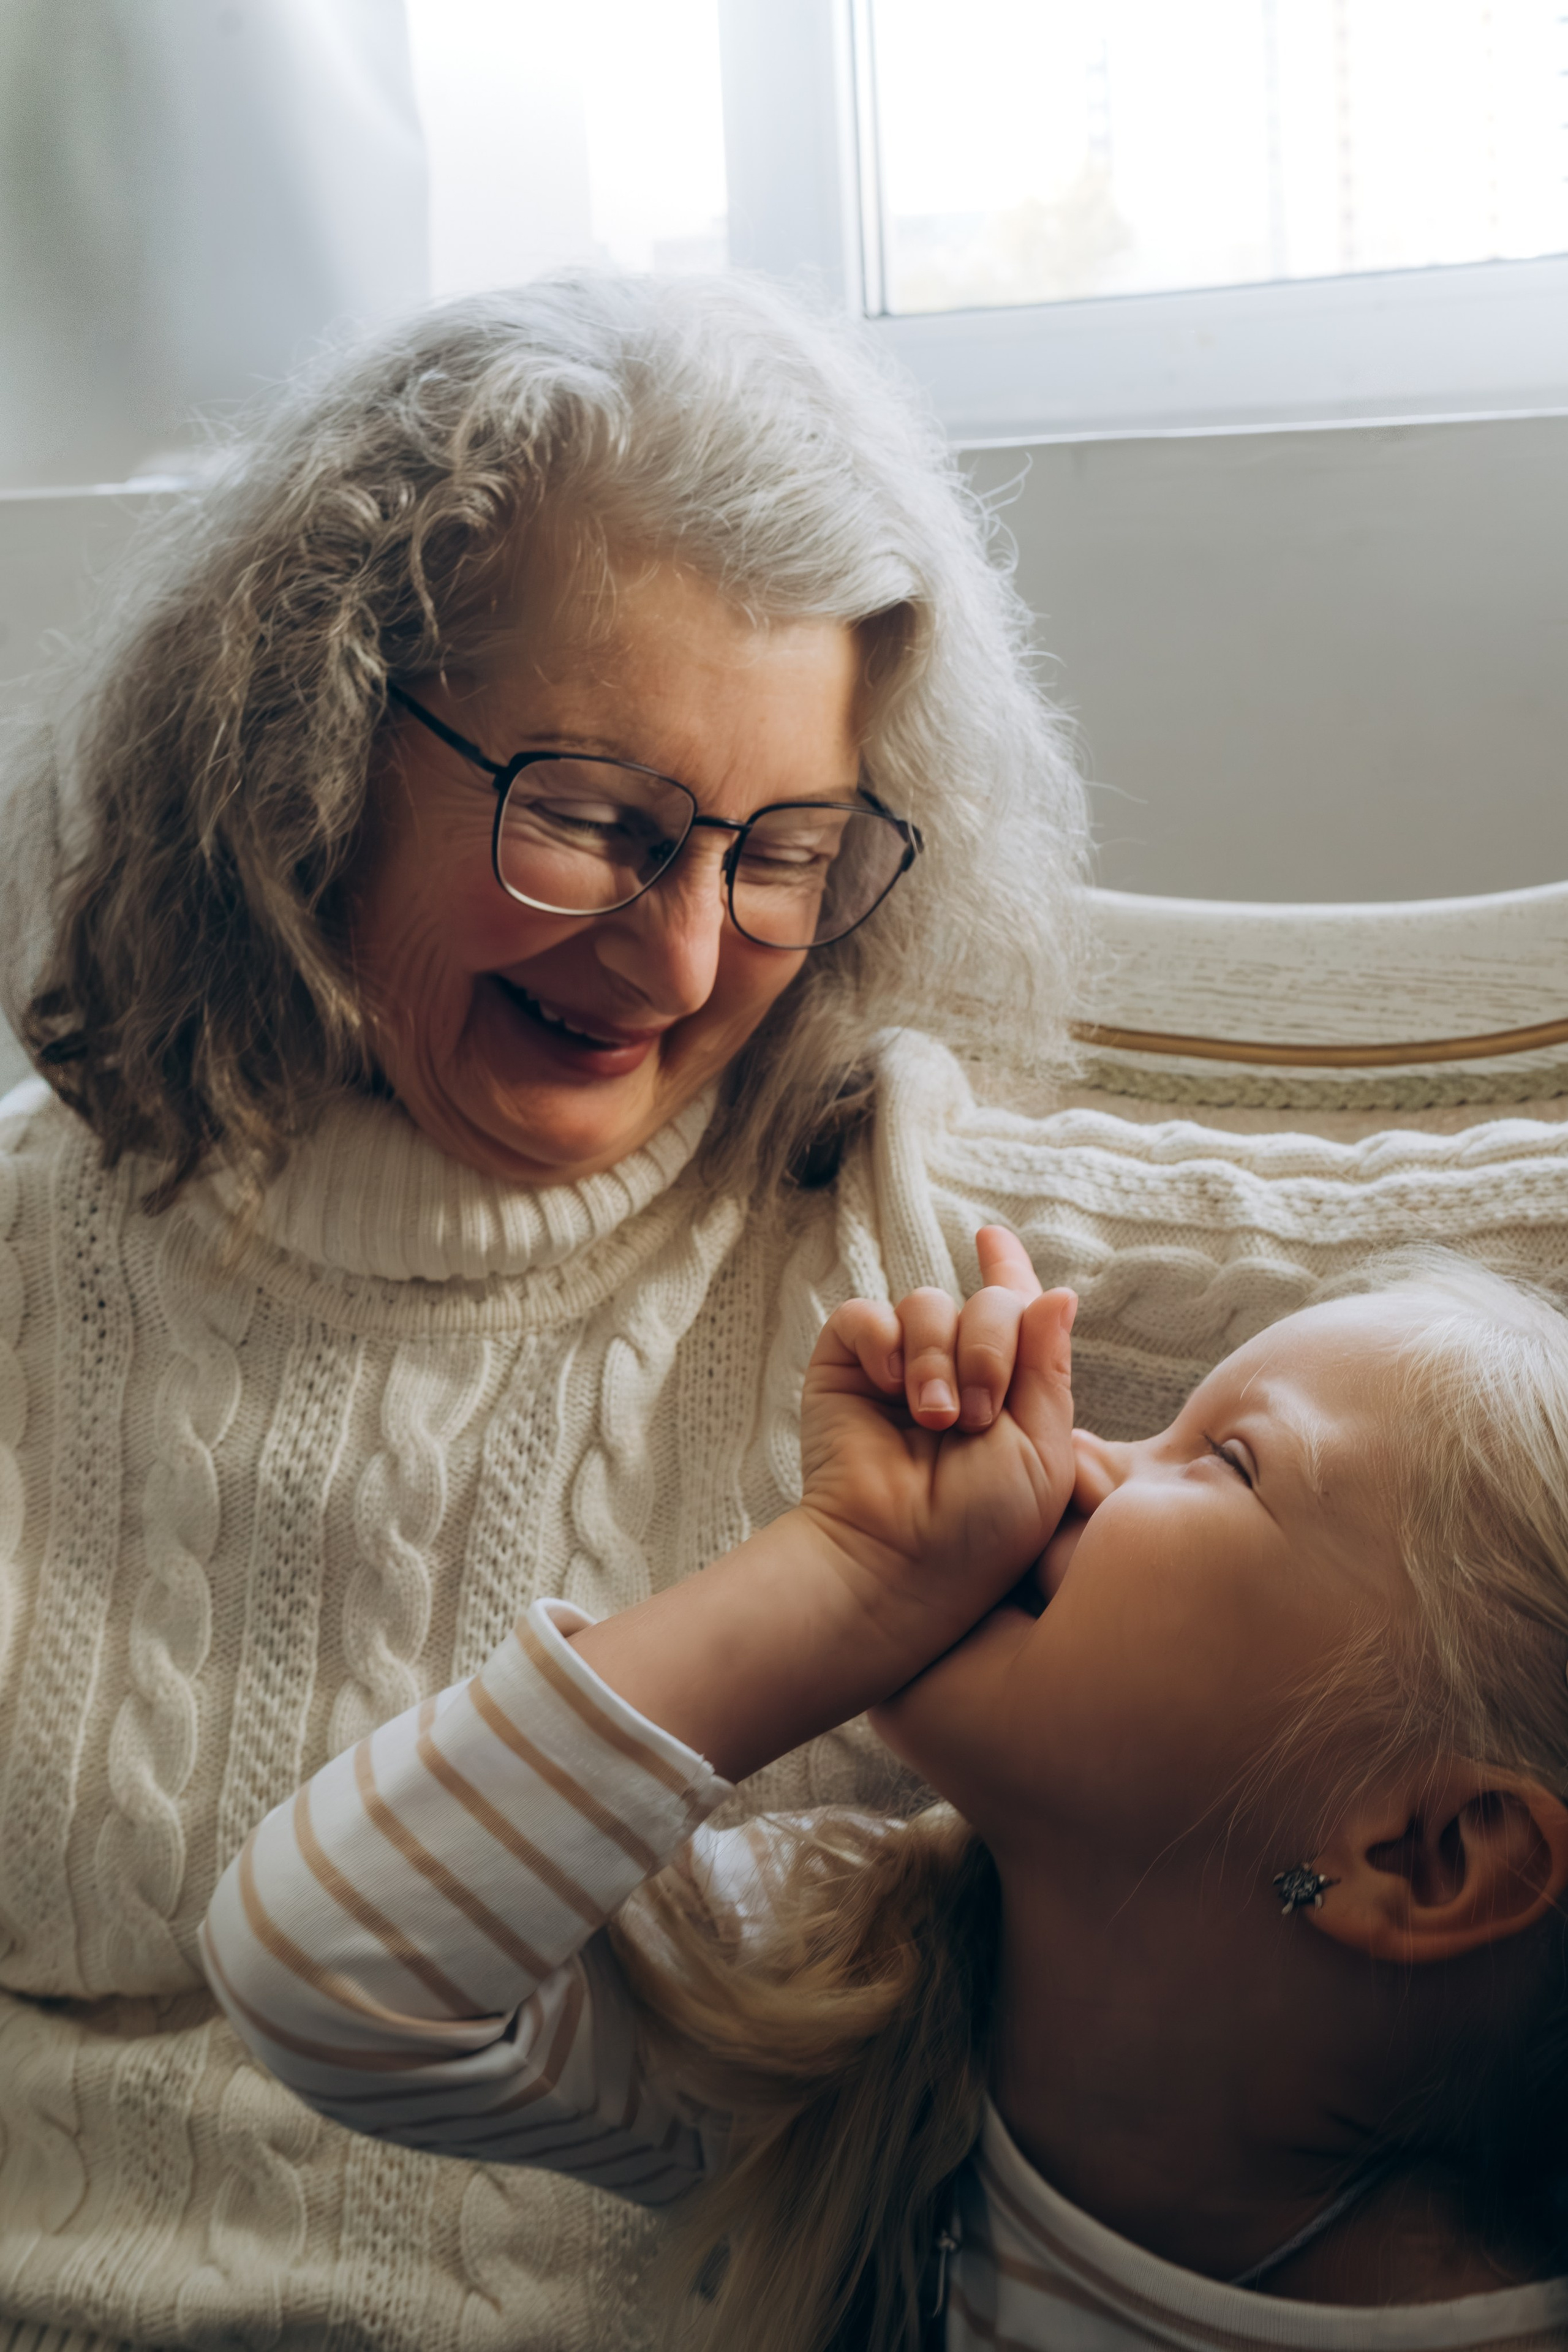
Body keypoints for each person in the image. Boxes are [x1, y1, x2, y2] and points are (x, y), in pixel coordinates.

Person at [2, 270, 1568, 2351]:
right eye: (593, 822)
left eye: (784, 849)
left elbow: (1463, 1385)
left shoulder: (901, 1214)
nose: (679, 954)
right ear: (319, 738)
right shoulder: (42, 1258)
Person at [205, 1232, 1568, 2351]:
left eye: (1222, 1459)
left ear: (1430, 1855)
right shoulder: (838, 1979)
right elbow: (318, 1970)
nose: (1086, 1461)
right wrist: (841, 1576)